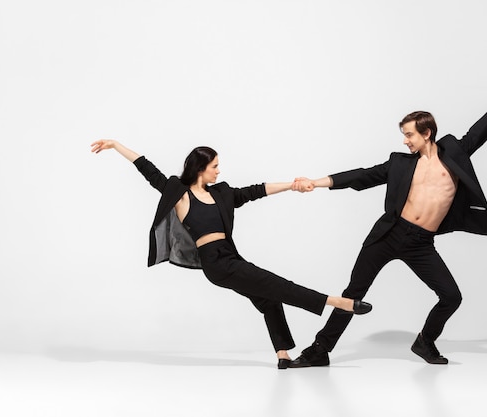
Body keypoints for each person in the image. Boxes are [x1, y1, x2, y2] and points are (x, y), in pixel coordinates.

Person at [290, 81, 487, 366]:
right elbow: (363, 176)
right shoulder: (401, 163)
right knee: (353, 293)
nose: (405, 141)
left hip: (421, 243)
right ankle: (319, 350)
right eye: (403, 135)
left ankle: (425, 341)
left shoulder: (456, 154)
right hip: (388, 234)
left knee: (451, 296)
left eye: (409, 134)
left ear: (427, 133)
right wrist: (317, 182)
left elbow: (484, 127)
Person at [90, 141, 372, 369]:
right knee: (276, 284)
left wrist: (291, 185)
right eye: (215, 166)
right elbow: (149, 170)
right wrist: (116, 146)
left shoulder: (222, 194)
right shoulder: (180, 193)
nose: (218, 171)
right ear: (201, 168)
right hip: (215, 262)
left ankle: (283, 353)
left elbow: (256, 191)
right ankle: (339, 302)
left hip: (229, 256)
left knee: (267, 297)